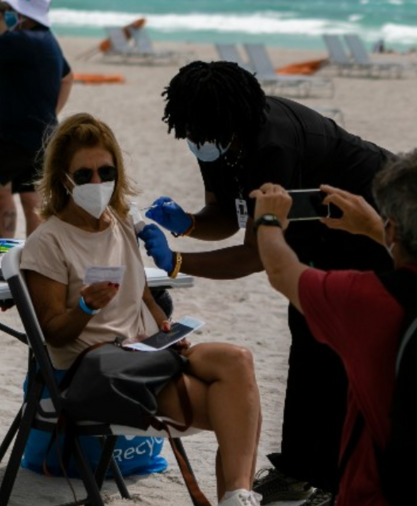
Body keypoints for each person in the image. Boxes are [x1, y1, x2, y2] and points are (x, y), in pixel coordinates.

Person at [138, 60, 393, 505]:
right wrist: (189, 224)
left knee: (341, 349)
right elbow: (226, 217)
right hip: (315, 228)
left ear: (233, 123)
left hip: (368, 218)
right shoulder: (214, 137)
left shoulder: (271, 146)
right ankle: (297, 471)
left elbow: (256, 254)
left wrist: (178, 262)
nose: (197, 144)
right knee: (306, 338)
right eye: (191, 135)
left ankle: (339, 482)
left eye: (203, 136)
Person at [20, 112, 262, 506]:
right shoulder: (48, 242)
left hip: (145, 352)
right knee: (239, 409)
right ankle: (236, 497)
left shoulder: (119, 220)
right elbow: (52, 334)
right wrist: (84, 306)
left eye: (106, 171)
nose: (97, 183)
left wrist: (163, 324)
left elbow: (143, 293)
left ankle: (236, 496)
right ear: (63, 179)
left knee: (238, 361)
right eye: (85, 176)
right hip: (97, 370)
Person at [249, 148, 417, 505]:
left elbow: (282, 272)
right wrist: (375, 227)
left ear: (393, 224)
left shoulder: (365, 299)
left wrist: (268, 221)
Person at [0, 0, 73, 237]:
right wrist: (50, 114)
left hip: (19, 138)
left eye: (14, 11)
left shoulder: (23, 41)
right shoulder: (47, 40)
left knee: (1, 192)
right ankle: (32, 261)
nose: (12, 15)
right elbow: (67, 76)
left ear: (24, 15)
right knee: (31, 199)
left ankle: (1, 255)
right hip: (41, 134)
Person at [0, 0, 17, 238]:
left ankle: (4, 251)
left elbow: (64, 77)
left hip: (7, 134)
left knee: (2, 194)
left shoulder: (17, 44)